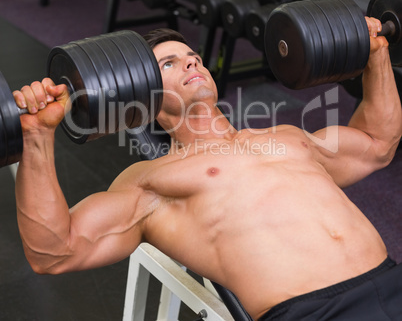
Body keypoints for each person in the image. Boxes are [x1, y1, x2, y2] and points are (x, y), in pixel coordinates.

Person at [12, 18, 402, 321]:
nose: (191, 63)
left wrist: (377, 54)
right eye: (170, 63)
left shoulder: (285, 135)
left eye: (193, 58)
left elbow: (376, 143)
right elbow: (53, 252)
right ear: (139, 88)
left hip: (391, 278)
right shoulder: (153, 182)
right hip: (314, 313)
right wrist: (37, 135)